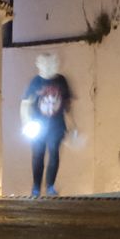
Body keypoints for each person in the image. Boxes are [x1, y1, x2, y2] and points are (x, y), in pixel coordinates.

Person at [20, 52, 76, 198]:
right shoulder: (35, 82)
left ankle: (50, 186)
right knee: (37, 155)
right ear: (39, 65)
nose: (48, 67)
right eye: (44, 64)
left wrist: (72, 125)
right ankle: (36, 187)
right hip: (38, 126)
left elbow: (67, 105)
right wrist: (26, 122)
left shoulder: (61, 81)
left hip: (57, 126)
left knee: (54, 154)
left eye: (51, 64)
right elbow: (25, 104)